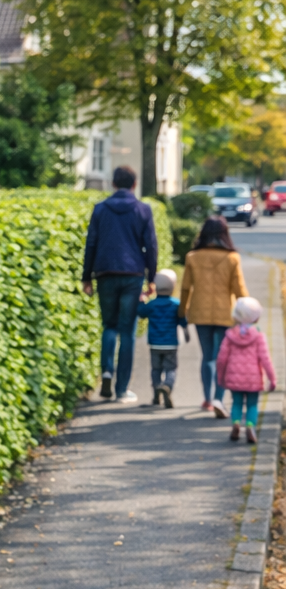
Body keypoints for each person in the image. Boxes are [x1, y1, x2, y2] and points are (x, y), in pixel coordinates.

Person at [82, 165, 159, 403]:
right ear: (134, 184)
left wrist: (86, 277)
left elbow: (91, 244)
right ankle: (122, 389)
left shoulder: (100, 210)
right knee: (127, 331)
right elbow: (151, 246)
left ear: (113, 184)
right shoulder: (142, 209)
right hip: (132, 274)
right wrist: (152, 279)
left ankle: (106, 370)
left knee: (109, 326)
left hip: (104, 272)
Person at [178, 216, 248, 417]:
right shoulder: (232, 258)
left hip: (200, 314)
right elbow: (240, 290)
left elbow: (185, 289)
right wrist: (249, 314)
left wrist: (182, 312)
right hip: (225, 313)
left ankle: (207, 399)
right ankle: (219, 398)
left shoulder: (193, 257)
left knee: (207, 357)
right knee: (223, 358)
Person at [215, 296, 276, 444]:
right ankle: (250, 426)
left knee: (236, 403)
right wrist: (272, 379)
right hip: (253, 379)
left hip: (234, 378)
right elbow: (265, 359)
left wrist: (221, 376)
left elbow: (222, 358)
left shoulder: (230, 335)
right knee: (252, 404)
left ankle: (236, 423)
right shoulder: (259, 335)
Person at [138, 268, 189, 407]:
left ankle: (156, 395)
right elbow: (183, 321)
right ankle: (167, 386)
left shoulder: (152, 304)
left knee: (156, 369)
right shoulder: (176, 304)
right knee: (171, 369)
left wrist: (141, 300)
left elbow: (141, 313)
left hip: (154, 344)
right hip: (171, 344)